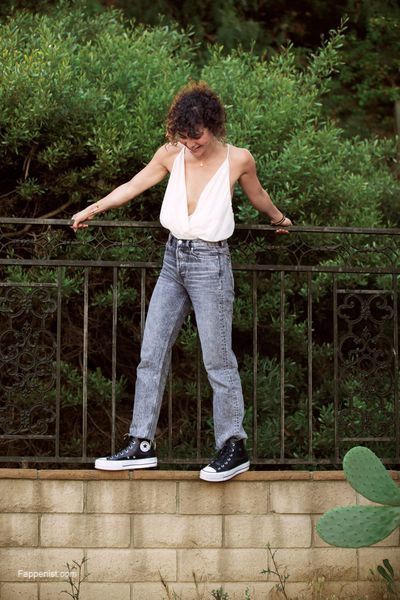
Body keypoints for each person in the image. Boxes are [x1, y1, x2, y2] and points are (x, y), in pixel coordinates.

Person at [71, 81, 292, 482]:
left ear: (213, 126)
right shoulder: (171, 154)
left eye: (198, 138)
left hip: (211, 265)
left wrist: (278, 218)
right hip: (173, 261)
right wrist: (93, 208)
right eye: (185, 138)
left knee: (218, 360)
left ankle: (233, 445)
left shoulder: (239, 159)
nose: (191, 145)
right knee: (151, 353)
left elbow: (258, 195)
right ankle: (141, 443)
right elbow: (133, 186)